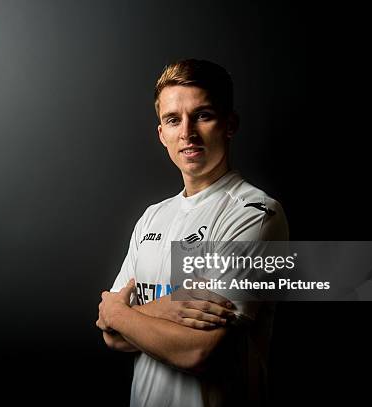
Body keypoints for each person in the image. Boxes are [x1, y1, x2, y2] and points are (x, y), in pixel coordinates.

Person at [96, 59, 289, 407]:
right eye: (173, 120)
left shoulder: (253, 214)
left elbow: (199, 350)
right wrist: (162, 311)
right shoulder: (152, 218)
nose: (187, 132)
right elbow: (111, 338)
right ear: (161, 134)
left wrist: (121, 314)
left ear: (230, 124)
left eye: (202, 115)